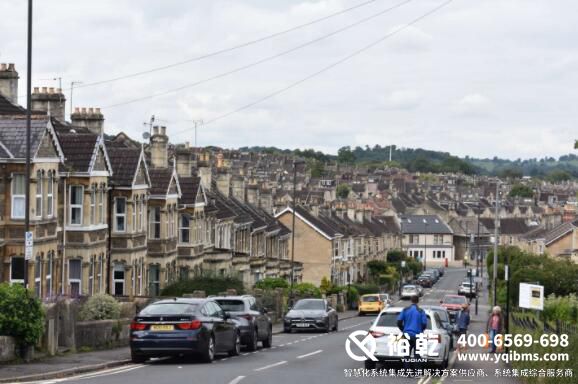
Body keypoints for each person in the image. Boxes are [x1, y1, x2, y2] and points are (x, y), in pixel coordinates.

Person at [397, 295, 428, 373]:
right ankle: (417, 371)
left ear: (411, 300)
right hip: (417, 335)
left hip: (407, 334)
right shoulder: (421, 311)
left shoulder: (405, 310)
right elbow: (424, 324)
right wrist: (421, 330)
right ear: (418, 301)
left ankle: (407, 372)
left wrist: (403, 329)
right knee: (417, 355)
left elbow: (399, 322)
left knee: (406, 354)